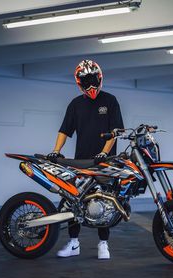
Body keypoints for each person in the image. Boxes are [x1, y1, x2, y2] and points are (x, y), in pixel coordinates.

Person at [48, 60, 124, 259]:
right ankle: (74, 244)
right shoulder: (76, 104)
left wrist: (104, 153)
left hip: (105, 163)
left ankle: (103, 245)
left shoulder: (110, 100)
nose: (90, 85)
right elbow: (65, 130)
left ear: (99, 78)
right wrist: (56, 150)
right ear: (79, 82)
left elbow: (115, 131)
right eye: (86, 81)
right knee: (73, 199)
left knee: (105, 201)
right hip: (80, 161)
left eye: (92, 80)